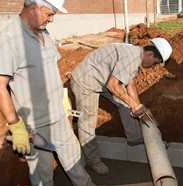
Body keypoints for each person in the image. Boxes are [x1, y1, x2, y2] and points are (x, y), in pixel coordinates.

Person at [0, 0, 110, 186]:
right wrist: (15, 126)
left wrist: (63, 101)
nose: (52, 20)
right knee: (42, 173)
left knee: (74, 158)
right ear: (34, 7)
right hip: (36, 125)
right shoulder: (9, 39)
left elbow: (51, 70)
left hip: (57, 116)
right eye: (50, 14)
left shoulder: (44, 33)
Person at [70, 38, 172, 175]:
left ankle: (134, 137)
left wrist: (138, 106)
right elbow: (113, 85)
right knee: (88, 121)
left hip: (103, 78)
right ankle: (93, 160)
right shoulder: (130, 58)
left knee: (126, 104)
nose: (153, 67)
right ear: (150, 55)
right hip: (86, 80)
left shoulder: (137, 56)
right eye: (154, 63)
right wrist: (134, 104)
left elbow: (130, 84)